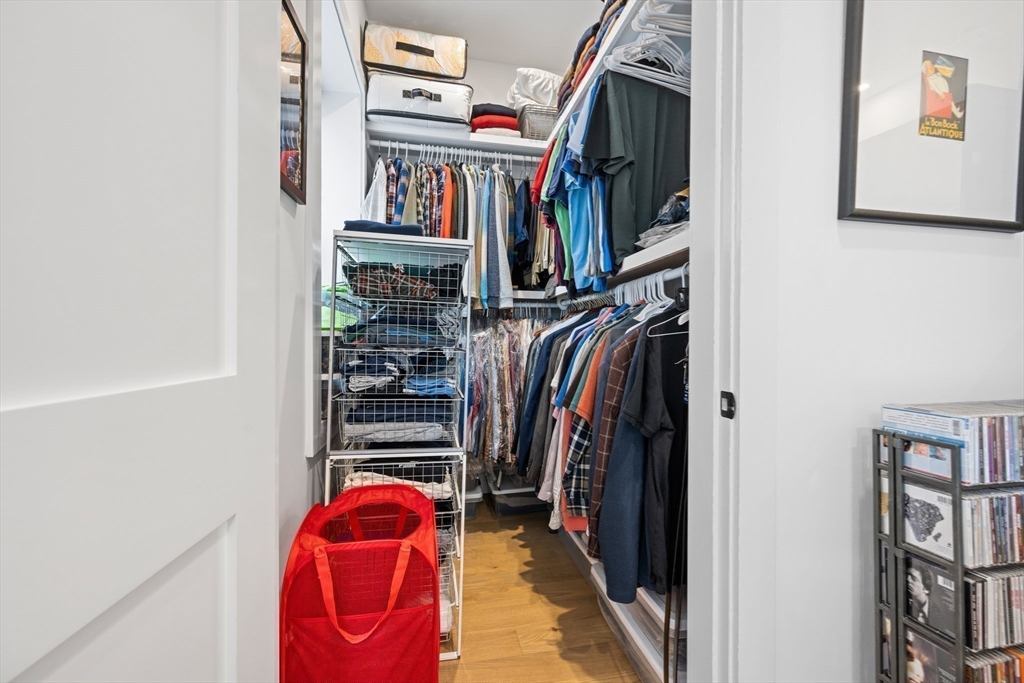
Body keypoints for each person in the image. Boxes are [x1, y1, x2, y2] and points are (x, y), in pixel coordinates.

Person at [907, 558, 933, 624]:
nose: (908, 579)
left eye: (913, 578)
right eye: (907, 575)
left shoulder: (937, 614)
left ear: (926, 588)